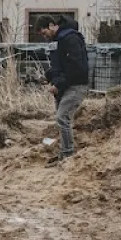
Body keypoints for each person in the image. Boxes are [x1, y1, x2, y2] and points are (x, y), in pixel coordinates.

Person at [36, 15, 90, 163]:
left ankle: (67, 154)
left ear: (52, 25)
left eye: (44, 33)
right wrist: (48, 77)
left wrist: (58, 84)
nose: (44, 37)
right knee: (61, 120)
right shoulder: (56, 41)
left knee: (62, 118)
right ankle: (64, 152)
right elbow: (58, 66)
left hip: (76, 85)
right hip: (64, 86)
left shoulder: (70, 39)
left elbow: (76, 67)